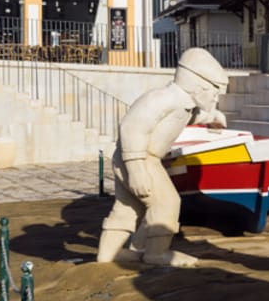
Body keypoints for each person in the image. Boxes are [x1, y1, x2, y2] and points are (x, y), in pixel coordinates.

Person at [96, 47, 228, 267]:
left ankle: (107, 256)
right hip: (140, 159)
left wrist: (212, 118)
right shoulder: (162, 99)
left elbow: (187, 117)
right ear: (198, 85)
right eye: (214, 92)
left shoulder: (183, 105)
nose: (215, 98)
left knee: (128, 207)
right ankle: (156, 254)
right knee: (167, 203)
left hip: (135, 159)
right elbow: (132, 127)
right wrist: (136, 169)